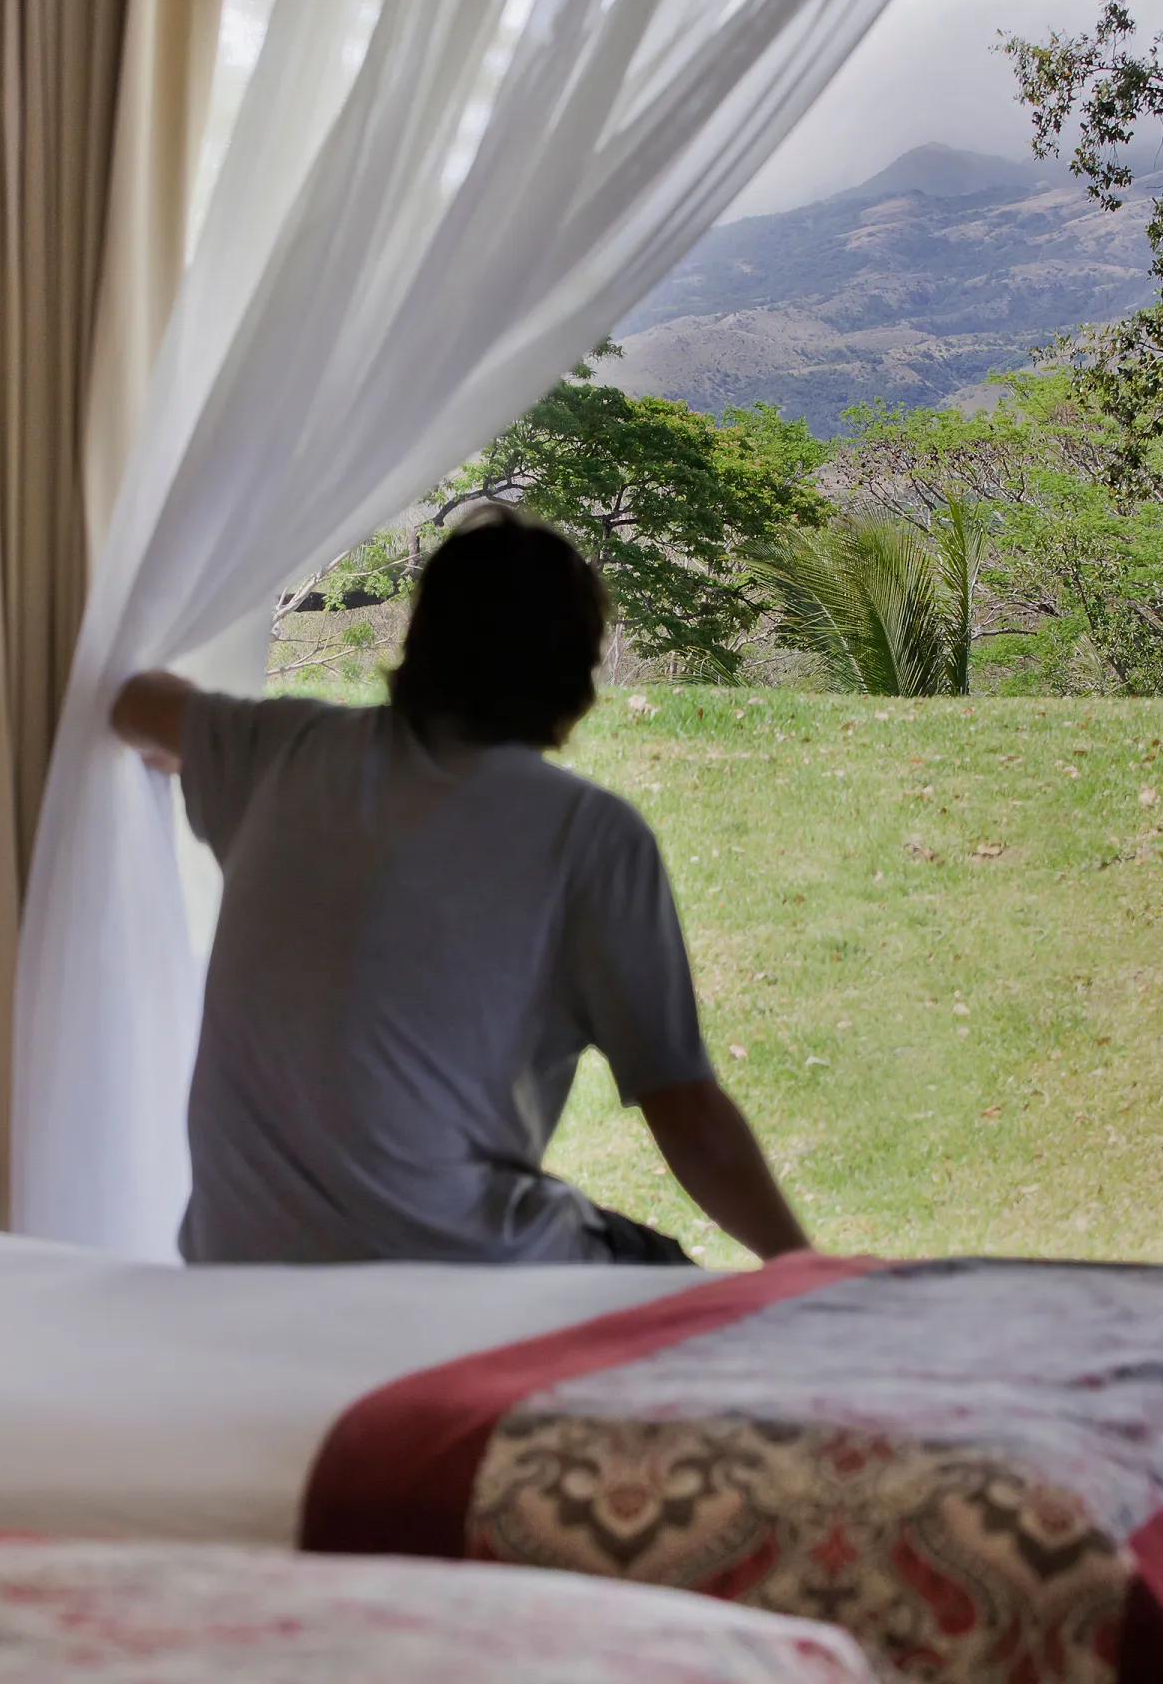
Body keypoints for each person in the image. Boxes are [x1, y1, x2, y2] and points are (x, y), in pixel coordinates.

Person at [110, 508, 811, 1266]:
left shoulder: (286, 748)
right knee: (669, 1289)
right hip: (443, 1266)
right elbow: (690, 1119)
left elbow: (134, 705)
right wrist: (806, 1269)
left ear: (421, 642)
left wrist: (211, 748)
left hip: (239, 1259)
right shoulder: (588, 837)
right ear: (575, 677)